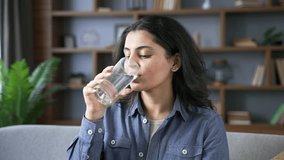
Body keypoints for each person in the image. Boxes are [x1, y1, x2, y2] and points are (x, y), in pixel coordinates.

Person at [67, 15, 229, 160]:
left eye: (144, 55)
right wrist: (93, 114)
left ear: (175, 62)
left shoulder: (206, 123)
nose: (131, 64)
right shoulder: (108, 113)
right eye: (127, 55)